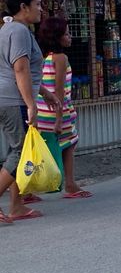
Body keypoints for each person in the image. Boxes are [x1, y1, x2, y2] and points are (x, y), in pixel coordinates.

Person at [0, 0, 58, 224]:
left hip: (10, 98)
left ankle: (17, 205)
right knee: (20, 152)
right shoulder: (19, 31)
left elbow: (26, 71)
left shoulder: (10, 29)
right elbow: (20, 68)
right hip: (14, 101)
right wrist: (31, 104)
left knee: (19, 152)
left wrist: (44, 93)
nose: (41, 9)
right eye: (38, 4)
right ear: (23, 7)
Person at [35, 16, 92, 199]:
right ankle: (70, 184)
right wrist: (59, 119)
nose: (70, 37)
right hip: (58, 111)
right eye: (66, 34)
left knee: (42, 148)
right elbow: (59, 90)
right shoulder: (60, 58)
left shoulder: (42, 57)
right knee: (70, 142)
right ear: (57, 37)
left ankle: (27, 189)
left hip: (42, 111)